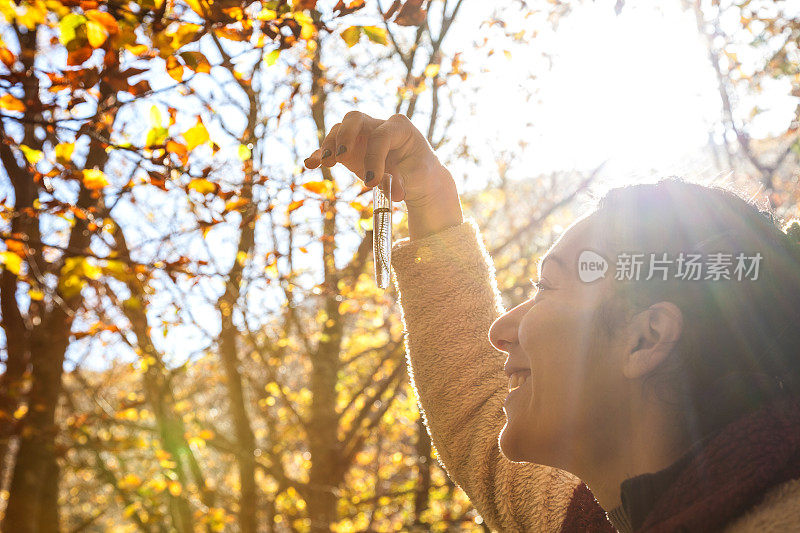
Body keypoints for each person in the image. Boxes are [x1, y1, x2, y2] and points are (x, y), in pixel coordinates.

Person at [304, 111, 800, 532]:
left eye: (546, 288)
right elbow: (476, 412)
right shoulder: (599, 515)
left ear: (645, 340)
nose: (499, 333)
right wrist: (429, 198)